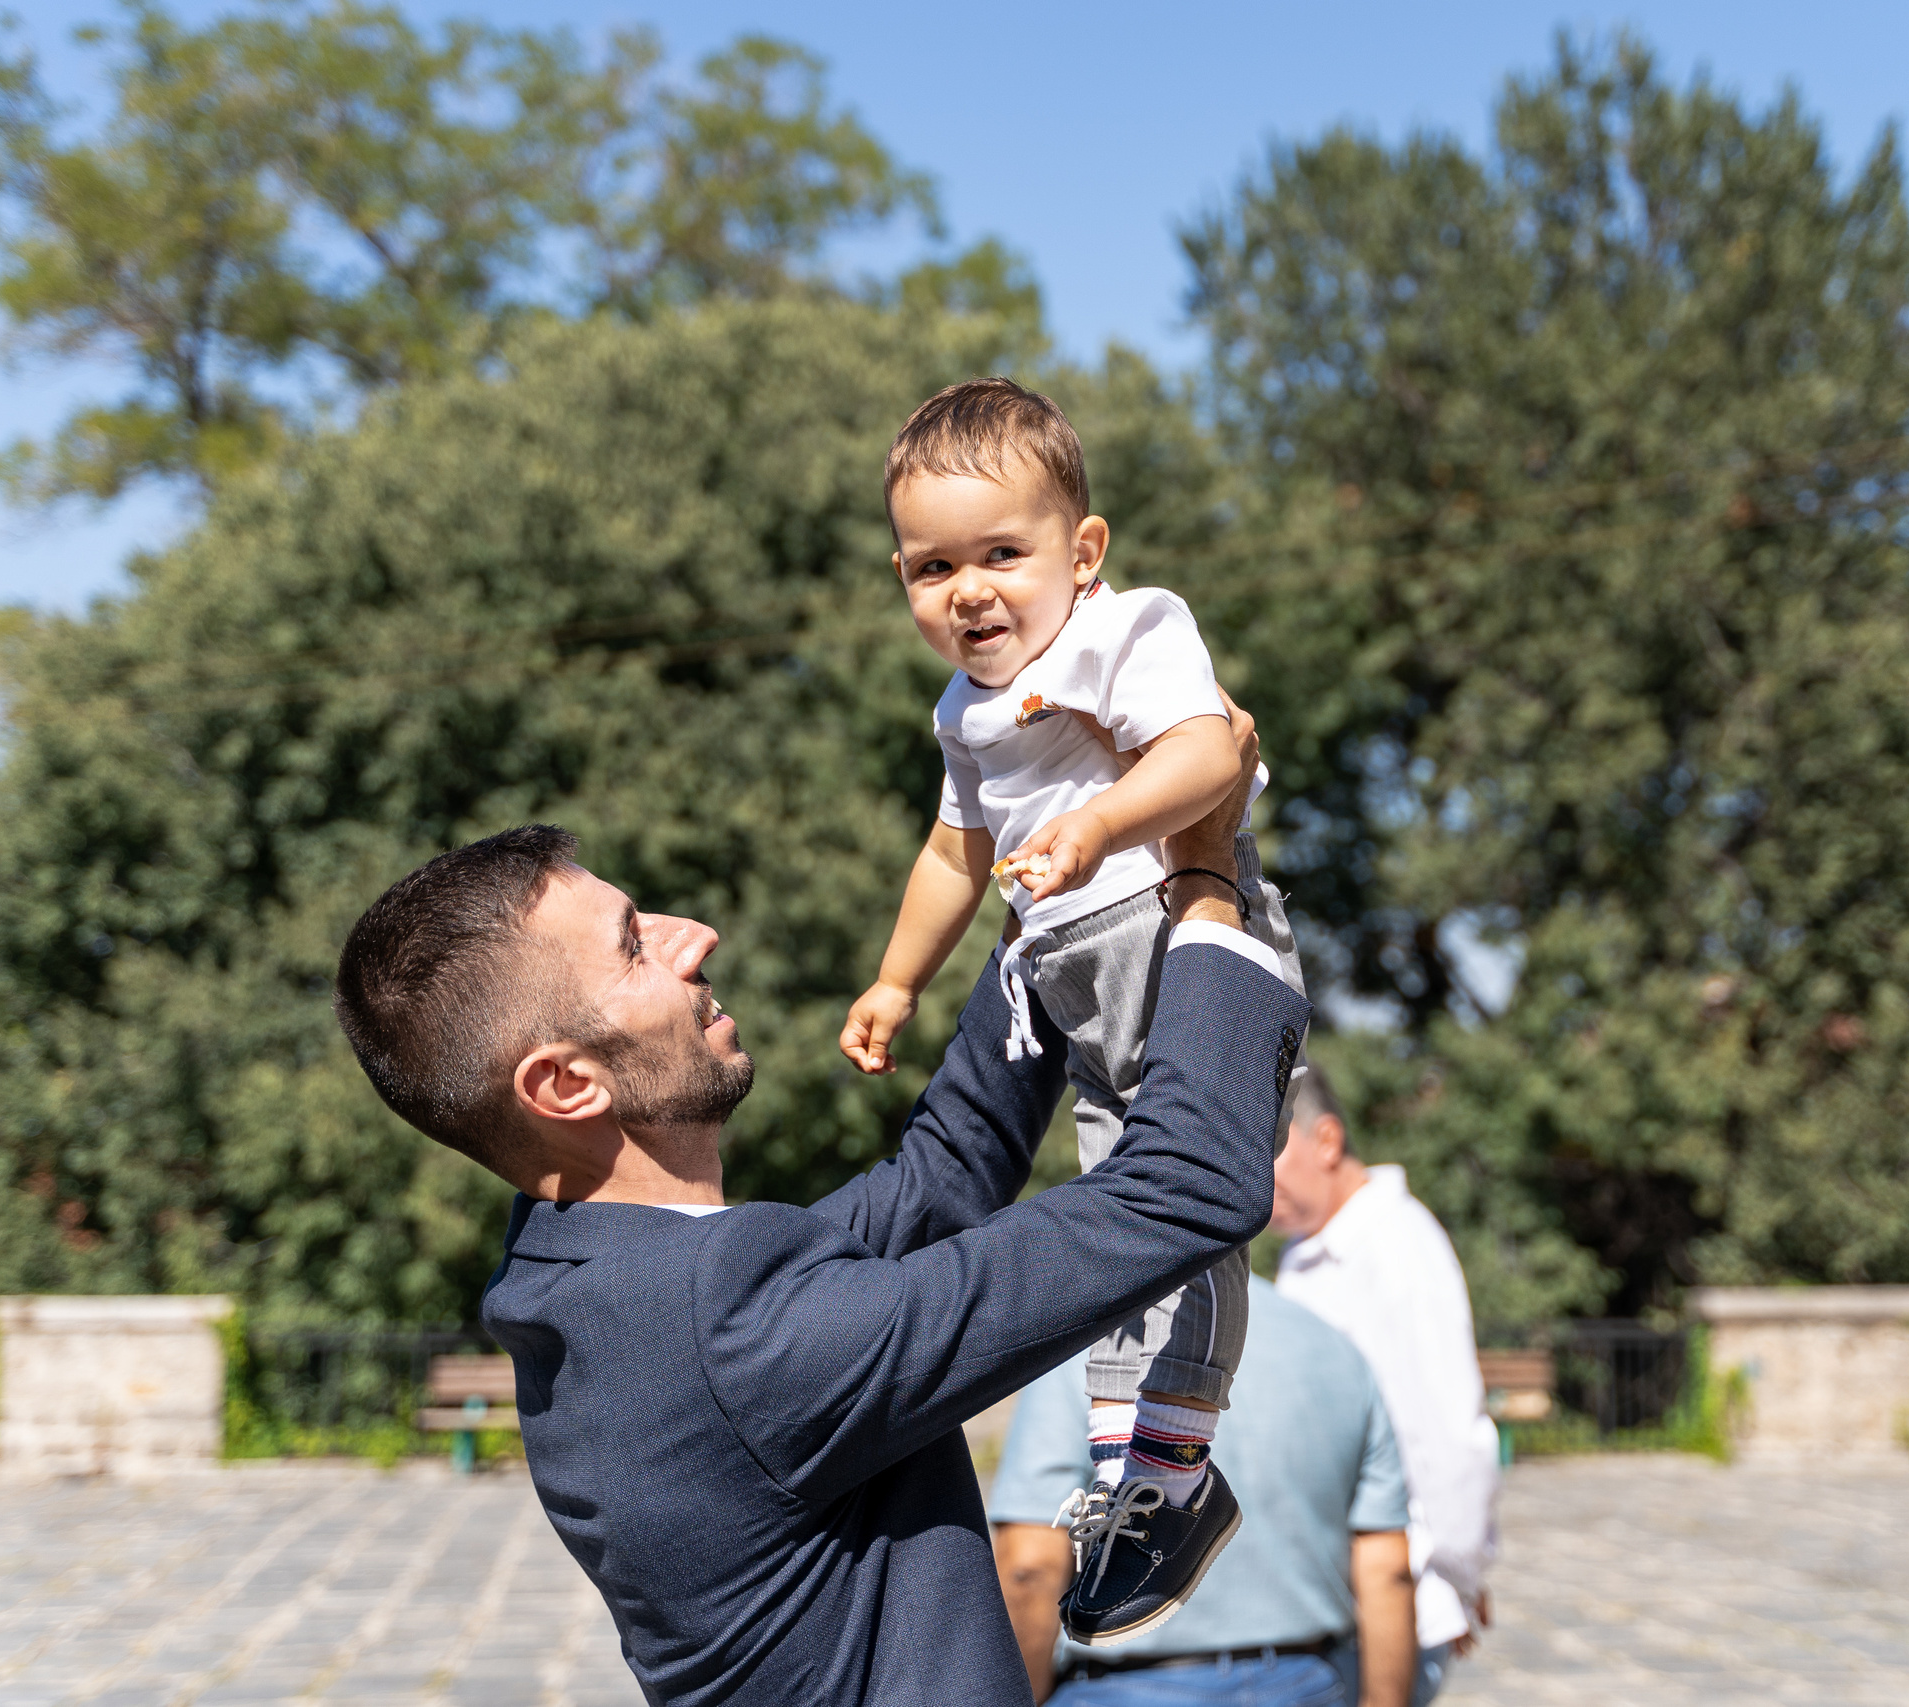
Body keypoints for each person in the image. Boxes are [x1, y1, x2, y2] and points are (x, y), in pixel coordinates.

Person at [326, 723, 1310, 1706]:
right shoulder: (724, 1328)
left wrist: (1044, 907)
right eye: (635, 946)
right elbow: (1187, 1184)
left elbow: (943, 1178)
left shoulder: (599, 1283)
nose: (694, 937)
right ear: (566, 1085)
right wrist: (1206, 873)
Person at [839, 377, 1308, 1644]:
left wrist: (1100, 824)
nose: (969, 590)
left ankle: (1170, 1472)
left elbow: (1213, 753)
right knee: (1116, 1224)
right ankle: (1137, 1472)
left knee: (1184, 1204)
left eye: (1002, 552)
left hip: (1181, 943)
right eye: (933, 567)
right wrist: (898, 980)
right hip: (1071, 985)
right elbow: (951, 856)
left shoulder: (1124, 630)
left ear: (1081, 551)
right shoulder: (961, 710)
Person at [990, 1277, 1418, 1707]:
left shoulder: (1092, 1342)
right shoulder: (1335, 1350)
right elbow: (1388, 1569)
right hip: (1306, 1683)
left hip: (1120, 1689)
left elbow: (1030, 1567)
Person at [1270, 1065, 1499, 1707]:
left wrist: (1455, 1577)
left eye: (1271, 1154)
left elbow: (1450, 1431)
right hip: (1332, 1594)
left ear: (1328, 1141)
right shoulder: (1307, 1250)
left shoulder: (1398, 1248)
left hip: (1397, 1594)